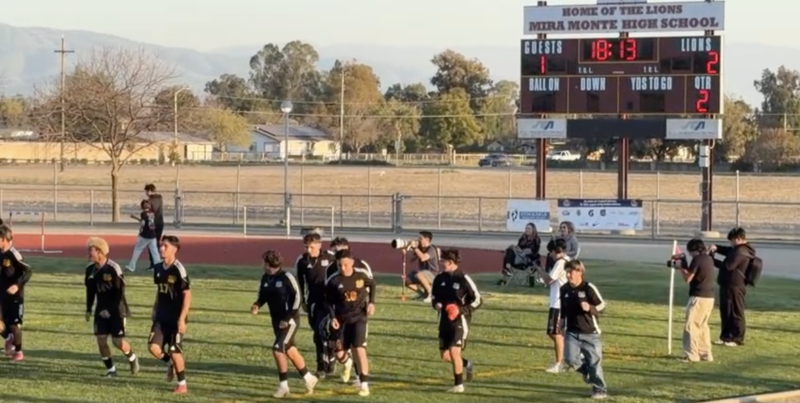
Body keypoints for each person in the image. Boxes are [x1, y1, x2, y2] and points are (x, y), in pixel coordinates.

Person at [252, 250, 318, 398]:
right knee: (290, 350)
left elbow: (298, 299)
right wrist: (257, 304)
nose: (262, 264)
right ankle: (309, 378)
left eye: (264, 261)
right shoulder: (265, 278)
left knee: (277, 349)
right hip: (276, 321)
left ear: (269, 263)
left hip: (290, 321)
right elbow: (263, 295)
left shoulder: (287, 277)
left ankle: (284, 386)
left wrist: (287, 318)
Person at [84, 236, 140, 377]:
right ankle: (111, 371)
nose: (88, 254)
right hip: (100, 310)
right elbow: (90, 291)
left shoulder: (114, 268)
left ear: (100, 252)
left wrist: (109, 310)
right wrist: (89, 308)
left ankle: (132, 358)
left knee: (117, 342)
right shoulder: (89, 270)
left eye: (91, 251)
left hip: (116, 309)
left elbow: (119, 292)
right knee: (101, 339)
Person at [325, 249, 375, 397]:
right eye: (340, 265)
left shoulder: (361, 276)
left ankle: (364, 384)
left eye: (346, 264)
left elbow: (372, 285)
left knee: (359, 348)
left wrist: (371, 303)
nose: (343, 268)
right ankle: (347, 363)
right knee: (340, 353)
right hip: (341, 319)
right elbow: (328, 301)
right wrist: (333, 317)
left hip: (359, 317)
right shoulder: (334, 281)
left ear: (352, 263)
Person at [430, 248, 481, 393]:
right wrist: (436, 305)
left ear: (451, 262)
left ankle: (459, 385)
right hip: (443, 322)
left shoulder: (463, 278)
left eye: (443, 261)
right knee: (445, 356)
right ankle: (467, 364)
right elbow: (434, 297)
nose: (441, 263)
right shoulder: (439, 279)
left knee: (453, 352)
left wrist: (461, 310)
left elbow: (478, 300)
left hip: (459, 322)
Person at [148, 235, 192, 394]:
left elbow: (187, 294)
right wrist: (155, 308)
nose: (161, 248)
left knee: (175, 351)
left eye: (165, 246)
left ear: (174, 249)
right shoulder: (158, 268)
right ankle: (169, 363)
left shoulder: (179, 269)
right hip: (161, 317)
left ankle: (182, 385)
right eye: (161, 245)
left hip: (176, 318)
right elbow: (160, 291)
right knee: (153, 348)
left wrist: (182, 319)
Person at [560, 260, 608, 399]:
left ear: (580, 272)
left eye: (571, 272)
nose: (568, 275)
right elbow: (563, 308)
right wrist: (561, 322)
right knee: (569, 359)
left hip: (590, 333)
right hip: (572, 332)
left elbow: (602, 306)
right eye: (567, 272)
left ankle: (600, 390)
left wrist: (590, 308)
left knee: (594, 363)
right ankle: (588, 372)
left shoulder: (588, 288)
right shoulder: (564, 289)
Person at [296, 233, 337, 378]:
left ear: (319, 245)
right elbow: (300, 283)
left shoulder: (330, 257)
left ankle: (327, 363)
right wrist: (302, 301)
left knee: (326, 330)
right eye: (306, 247)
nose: (309, 250)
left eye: (312, 247)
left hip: (330, 302)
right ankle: (324, 364)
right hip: (313, 301)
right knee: (318, 334)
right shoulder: (302, 261)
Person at [670, 238, 715, 362]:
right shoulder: (708, 259)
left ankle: (692, 355)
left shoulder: (697, 260)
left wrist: (681, 268)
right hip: (709, 297)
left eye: (690, 252)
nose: (689, 254)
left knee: (691, 326)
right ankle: (705, 353)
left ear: (693, 250)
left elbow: (688, 278)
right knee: (702, 326)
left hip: (698, 297)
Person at [708, 227, 755, 347]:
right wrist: (716, 248)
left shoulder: (741, 251)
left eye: (732, 240)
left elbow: (728, 266)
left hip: (735, 286)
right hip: (727, 284)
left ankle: (737, 338)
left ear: (739, 239)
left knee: (735, 311)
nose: (731, 243)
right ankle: (726, 336)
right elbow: (728, 250)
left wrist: (712, 260)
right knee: (726, 311)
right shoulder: (737, 249)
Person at [533, 238, 570, 373]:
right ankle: (570, 355)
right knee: (557, 333)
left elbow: (549, 280)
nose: (551, 255)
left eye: (552, 252)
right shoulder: (568, 260)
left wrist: (539, 269)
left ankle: (559, 362)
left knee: (555, 333)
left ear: (557, 251)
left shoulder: (561, 263)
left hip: (558, 303)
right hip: (561, 301)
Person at [0, 225, 31, 361]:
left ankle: (18, 351)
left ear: (2, 239)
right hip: (1, 294)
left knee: (13, 324)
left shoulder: (14, 254)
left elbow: (28, 272)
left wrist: (17, 286)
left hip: (14, 297)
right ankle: (8, 337)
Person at [127, 199, 161, 272]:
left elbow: (143, 223)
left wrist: (140, 230)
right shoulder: (153, 213)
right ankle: (158, 267)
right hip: (153, 234)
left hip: (145, 235)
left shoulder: (143, 213)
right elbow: (149, 222)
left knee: (137, 250)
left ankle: (131, 267)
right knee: (155, 252)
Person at [404, 231, 439, 302]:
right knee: (407, 280)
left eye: (420, 238)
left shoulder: (431, 249)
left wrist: (415, 248)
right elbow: (411, 260)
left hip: (433, 274)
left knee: (419, 274)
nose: (418, 240)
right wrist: (407, 248)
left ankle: (430, 294)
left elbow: (423, 258)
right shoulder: (420, 248)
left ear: (427, 239)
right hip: (423, 274)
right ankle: (423, 295)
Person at [145, 184, 164, 270]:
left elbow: (151, 213)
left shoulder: (150, 201)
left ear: (149, 191)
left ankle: (154, 264)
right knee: (155, 244)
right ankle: (156, 263)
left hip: (153, 224)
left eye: (146, 191)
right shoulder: (160, 198)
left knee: (152, 244)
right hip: (160, 223)